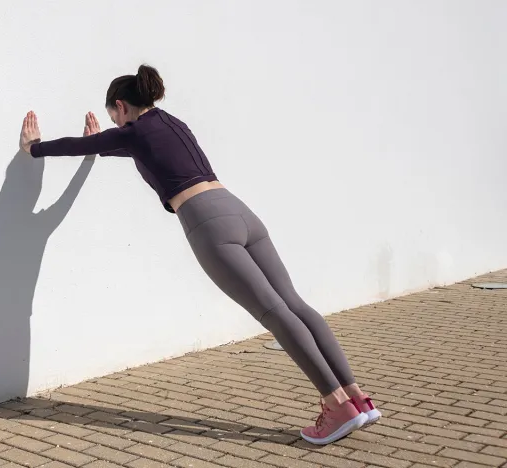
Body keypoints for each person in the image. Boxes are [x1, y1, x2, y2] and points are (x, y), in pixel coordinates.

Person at [19, 64, 381, 445]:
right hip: (239, 210)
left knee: (274, 311)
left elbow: (90, 146)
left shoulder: (133, 132)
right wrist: (107, 141)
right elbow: (137, 149)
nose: (115, 124)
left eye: (113, 116)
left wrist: (34, 148)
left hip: (207, 223)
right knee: (294, 303)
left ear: (120, 106)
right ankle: (357, 399)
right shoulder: (171, 122)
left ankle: (336, 406)